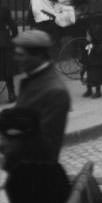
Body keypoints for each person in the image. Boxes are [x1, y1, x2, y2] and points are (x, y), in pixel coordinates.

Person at [9, 29, 70, 164]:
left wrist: (9, 129)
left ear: (38, 56)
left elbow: (45, 146)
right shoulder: (33, 79)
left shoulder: (55, 92)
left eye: (20, 55)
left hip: (37, 174)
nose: (16, 59)